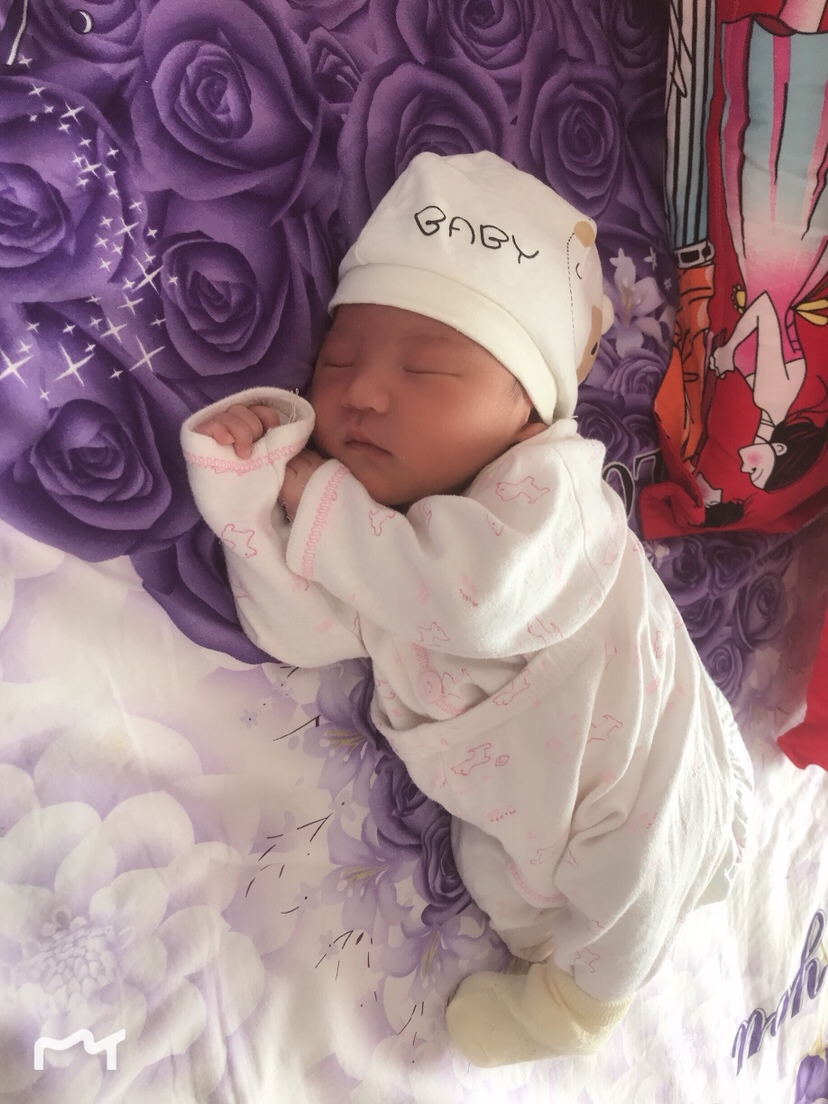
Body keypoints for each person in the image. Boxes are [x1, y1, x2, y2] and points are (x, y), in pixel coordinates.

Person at [181, 151, 753, 1066]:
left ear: (529, 414)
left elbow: (472, 602)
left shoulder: (552, 491)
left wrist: (319, 498)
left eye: (428, 369)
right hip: (516, 799)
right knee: (503, 882)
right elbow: (300, 633)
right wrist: (246, 500)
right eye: (337, 359)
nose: (362, 392)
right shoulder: (385, 541)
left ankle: (579, 1012)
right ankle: (558, 966)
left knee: (632, 882)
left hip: (646, 770)